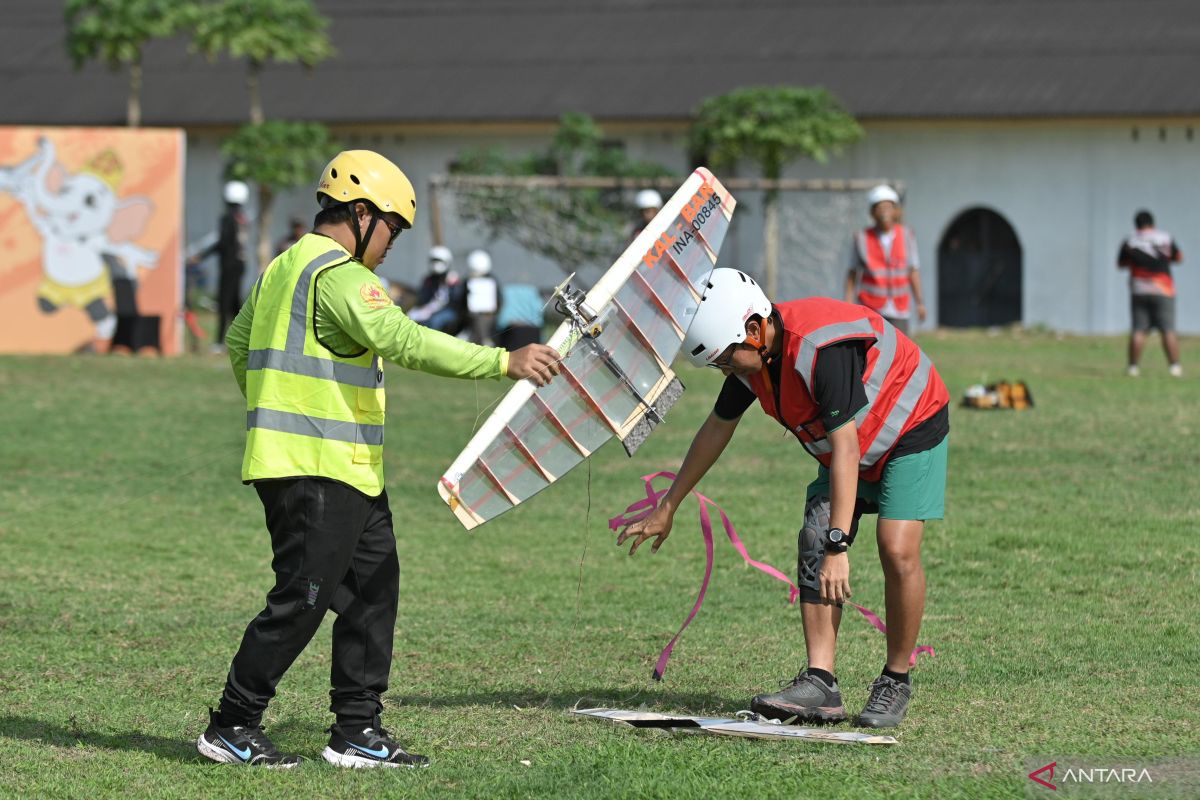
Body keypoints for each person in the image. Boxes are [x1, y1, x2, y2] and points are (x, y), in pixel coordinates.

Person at [197, 150, 560, 769]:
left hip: (336, 467)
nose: (393, 244)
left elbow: (239, 342)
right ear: (361, 213)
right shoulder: (339, 274)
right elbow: (402, 338)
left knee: (372, 589)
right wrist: (504, 361)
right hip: (316, 467)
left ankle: (356, 731)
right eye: (393, 227)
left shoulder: (282, 267)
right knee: (303, 597)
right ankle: (231, 724)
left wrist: (271, 410)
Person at [616, 268, 949, 729]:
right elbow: (716, 427)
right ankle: (821, 684)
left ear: (754, 330)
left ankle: (896, 678)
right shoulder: (753, 358)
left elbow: (847, 447)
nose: (726, 372)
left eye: (726, 360)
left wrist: (840, 545)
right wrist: (669, 504)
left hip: (909, 427)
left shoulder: (819, 351)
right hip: (848, 447)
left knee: (896, 548)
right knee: (812, 538)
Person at [844, 185, 926, 336]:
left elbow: (913, 270)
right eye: (880, 208)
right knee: (873, 353)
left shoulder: (907, 235)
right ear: (872, 213)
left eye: (888, 207)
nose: (884, 212)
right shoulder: (862, 237)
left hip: (899, 308)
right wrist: (848, 305)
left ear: (896, 211)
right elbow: (852, 273)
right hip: (871, 307)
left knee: (900, 353)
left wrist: (919, 303)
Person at [1118, 210, 1184, 377]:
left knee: (1139, 329)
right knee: (1168, 329)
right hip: (1163, 289)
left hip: (1139, 289)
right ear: (1153, 223)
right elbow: (1179, 258)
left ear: (1136, 224)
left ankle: (1133, 368)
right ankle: (1174, 367)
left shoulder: (1130, 240)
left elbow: (1121, 263)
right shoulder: (1165, 237)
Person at [189, 180, 250, 350]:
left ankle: (219, 342)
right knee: (235, 303)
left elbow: (222, 243)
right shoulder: (242, 217)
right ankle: (244, 338)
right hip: (240, 264)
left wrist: (201, 256)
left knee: (224, 303)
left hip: (229, 265)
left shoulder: (227, 217)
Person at [408, 245, 459, 332]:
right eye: (434, 261)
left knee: (435, 321)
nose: (436, 264)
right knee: (410, 317)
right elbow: (423, 298)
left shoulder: (453, 279)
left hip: (448, 310)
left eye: (439, 261)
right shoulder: (428, 280)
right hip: (430, 309)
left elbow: (455, 301)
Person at [464, 249, 501, 345]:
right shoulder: (467, 282)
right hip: (471, 317)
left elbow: (499, 301)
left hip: (489, 317)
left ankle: (485, 340)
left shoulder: (492, 281)